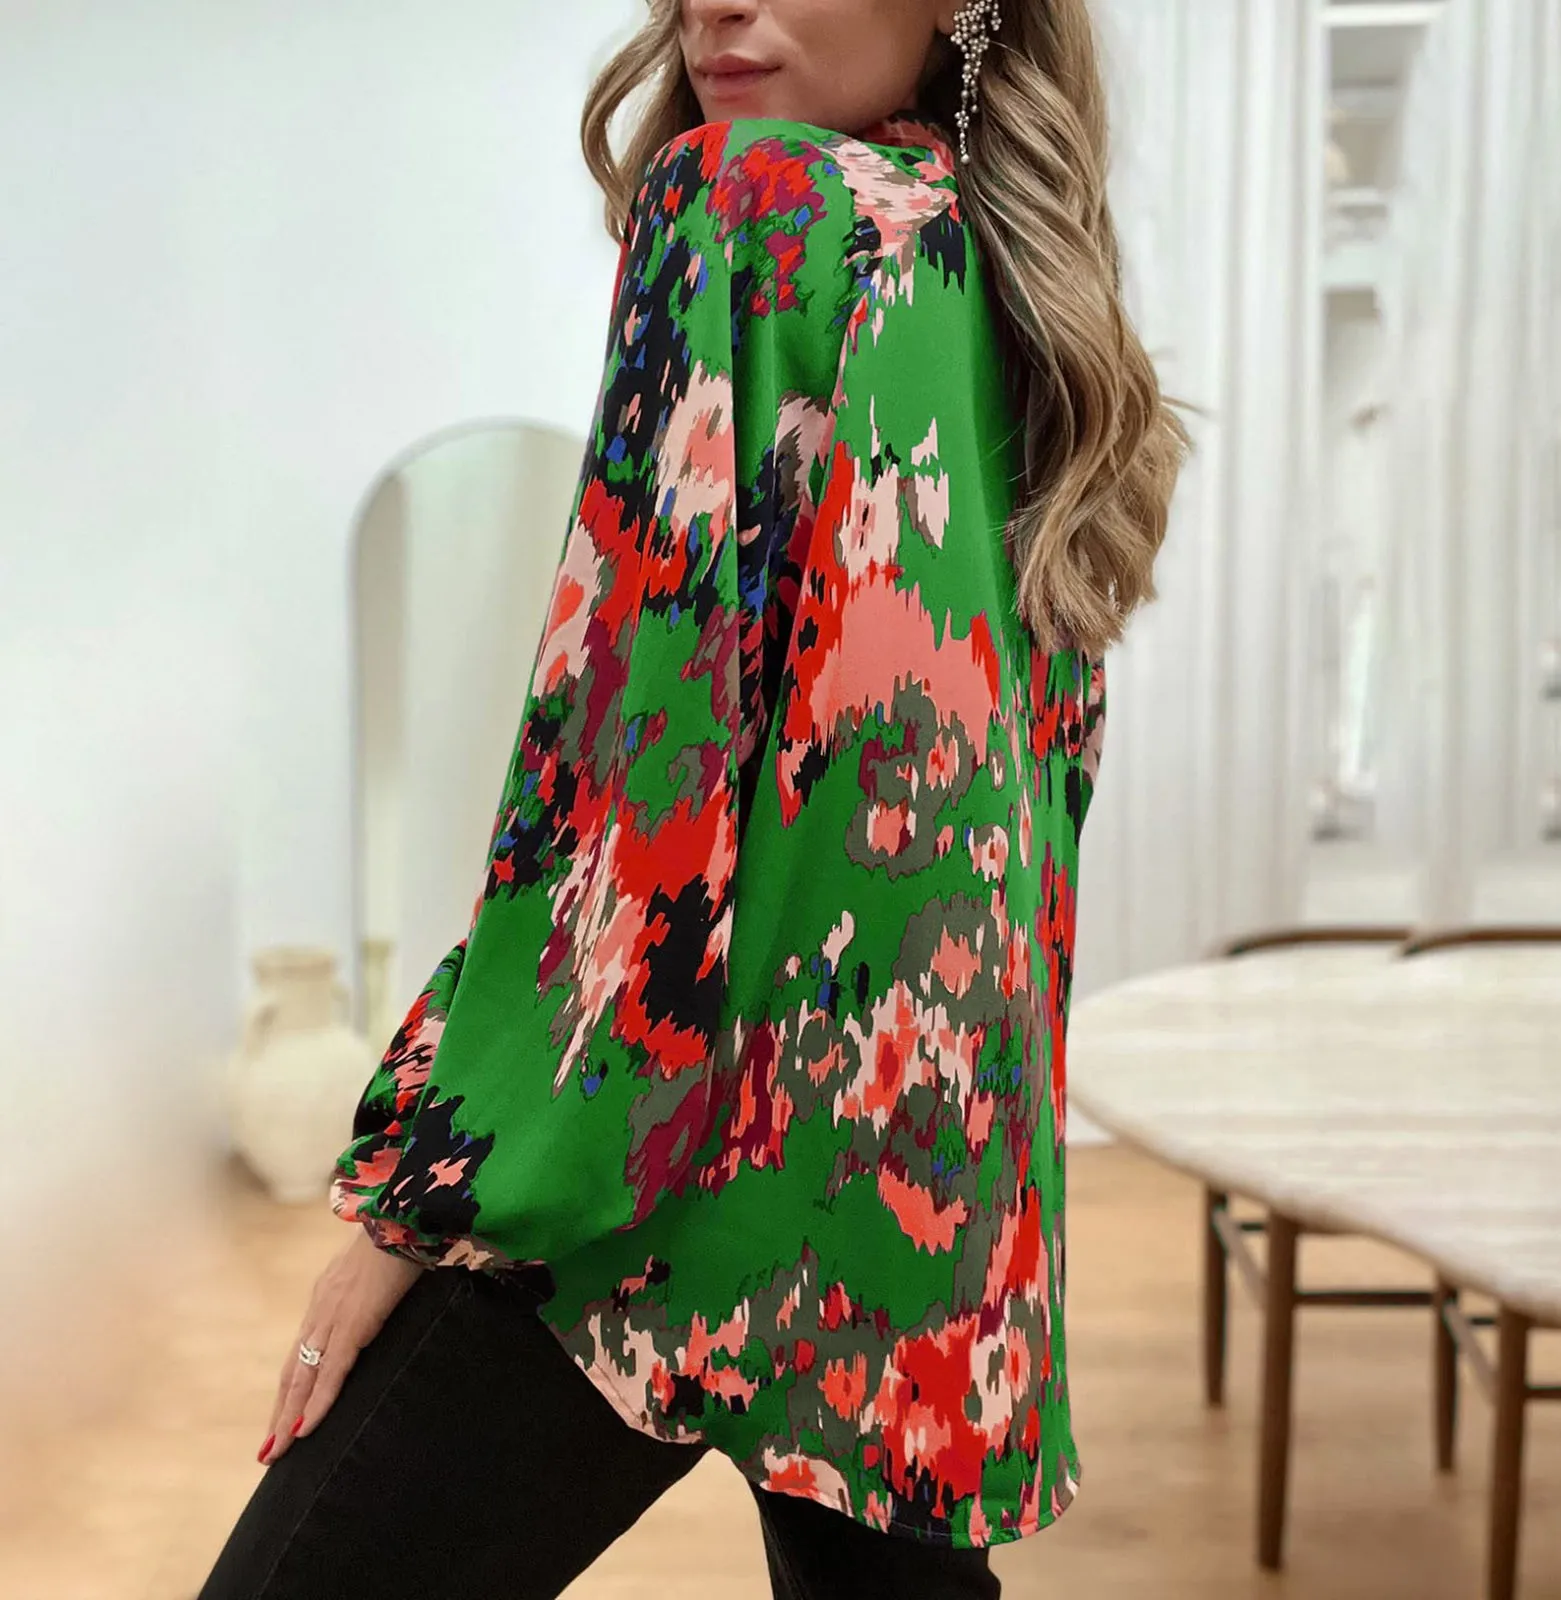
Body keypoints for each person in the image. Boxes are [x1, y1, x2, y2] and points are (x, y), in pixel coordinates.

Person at [199, 1, 1184, 1595]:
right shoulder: (1025, 295)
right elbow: (1027, 834)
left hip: (674, 1148)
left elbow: (623, 770)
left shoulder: (741, 203)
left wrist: (428, 1200)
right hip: (923, 1179)